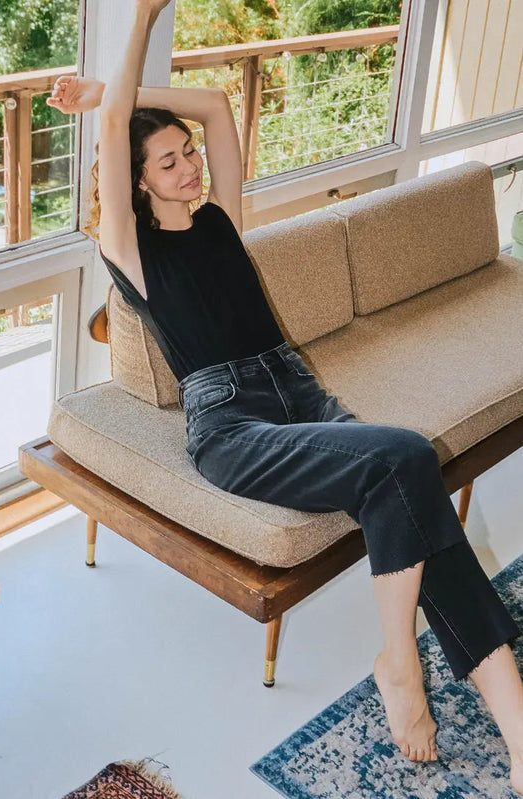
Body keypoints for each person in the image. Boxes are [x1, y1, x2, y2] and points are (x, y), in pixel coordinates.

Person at [48, 0, 523, 789]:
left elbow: (215, 106)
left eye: (186, 153)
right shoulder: (129, 251)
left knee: (407, 489)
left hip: (298, 394)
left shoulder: (218, 221)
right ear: (134, 184)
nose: (189, 166)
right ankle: (398, 661)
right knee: (405, 456)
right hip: (229, 427)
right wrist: (138, 25)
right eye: (166, 163)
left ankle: (516, 725)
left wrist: (108, 94)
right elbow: (117, 145)